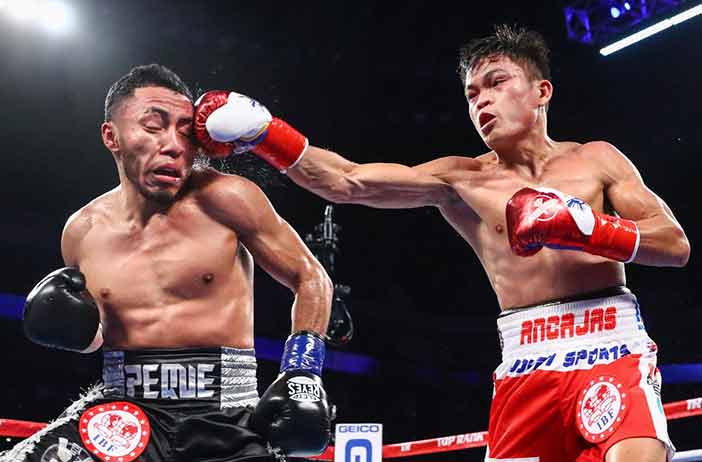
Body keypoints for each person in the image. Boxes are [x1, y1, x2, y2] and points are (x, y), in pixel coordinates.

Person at [192, 25, 690, 462]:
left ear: (542, 91)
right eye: (472, 94)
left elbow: (674, 244)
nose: (482, 102)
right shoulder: (462, 179)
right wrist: (265, 132)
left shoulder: (597, 159)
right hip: (525, 364)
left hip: (611, 347)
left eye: (497, 84)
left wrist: (586, 228)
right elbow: (346, 182)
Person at [5, 64, 333, 462]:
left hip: (226, 416)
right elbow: (101, 336)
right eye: (154, 126)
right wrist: (70, 329)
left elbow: (311, 276)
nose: (175, 145)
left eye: (184, 130)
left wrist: (302, 373)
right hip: (126, 417)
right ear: (112, 136)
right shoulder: (82, 230)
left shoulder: (227, 197)